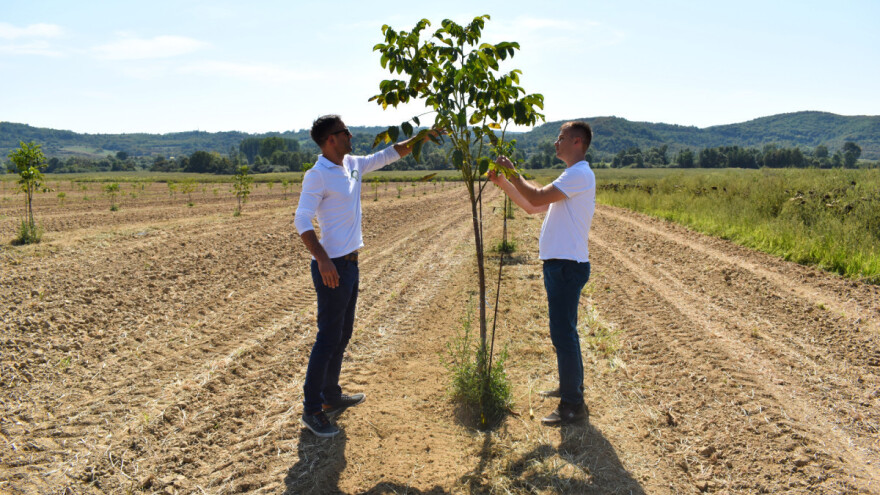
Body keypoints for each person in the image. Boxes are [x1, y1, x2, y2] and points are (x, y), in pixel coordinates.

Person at [294, 115, 437, 438]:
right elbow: (301, 220)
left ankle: (331, 396)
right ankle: (311, 409)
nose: (351, 135)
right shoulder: (318, 175)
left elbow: (389, 154)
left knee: (342, 334)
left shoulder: (352, 164)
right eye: (345, 132)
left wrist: (423, 138)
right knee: (327, 338)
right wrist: (322, 260)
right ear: (331, 139)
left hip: (351, 264)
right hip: (332, 268)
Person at [488, 121, 596, 425]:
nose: (555, 143)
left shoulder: (578, 174)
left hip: (566, 266)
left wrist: (512, 173)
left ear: (576, 142)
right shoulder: (574, 175)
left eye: (560, 138)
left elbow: (535, 198)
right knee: (564, 333)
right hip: (561, 264)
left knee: (564, 334)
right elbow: (532, 207)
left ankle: (572, 405)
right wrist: (505, 185)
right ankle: (570, 387)